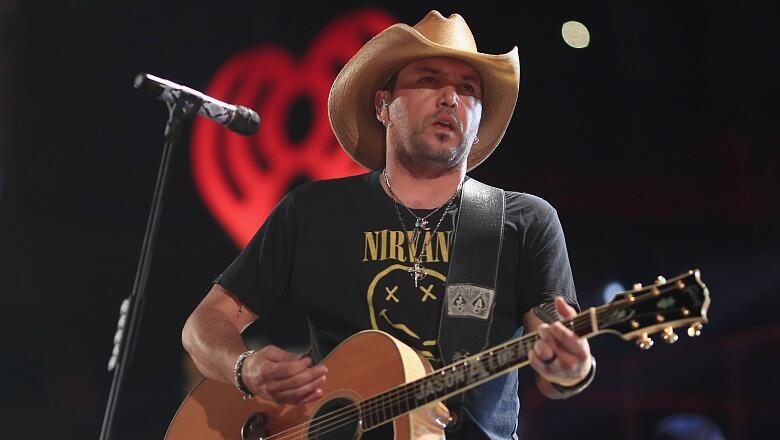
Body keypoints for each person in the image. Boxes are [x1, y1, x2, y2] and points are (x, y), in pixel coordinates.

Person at [182, 10, 594, 439]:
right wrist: (244, 368)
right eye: (430, 80)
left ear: (477, 119)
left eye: (468, 89)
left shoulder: (525, 221)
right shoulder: (313, 212)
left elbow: (556, 347)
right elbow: (204, 324)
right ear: (383, 105)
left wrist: (571, 365)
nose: (451, 98)